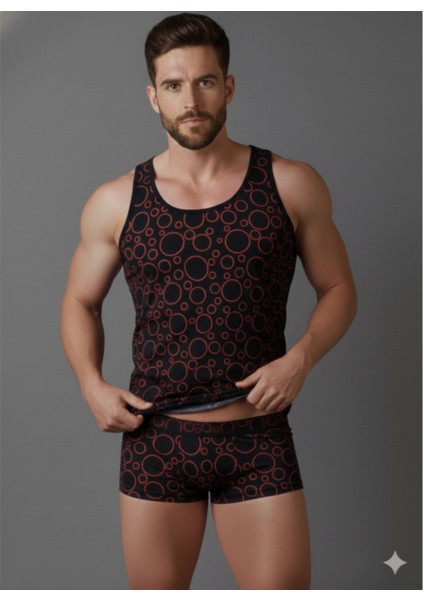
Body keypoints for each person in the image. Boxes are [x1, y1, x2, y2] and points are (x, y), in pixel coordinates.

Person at [60, 12, 357, 590]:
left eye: (205, 81)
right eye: (173, 85)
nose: (190, 100)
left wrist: (300, 359)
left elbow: (339, 288)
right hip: (156, 439)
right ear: (154, 97)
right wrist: (90, 384)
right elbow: (79, 301)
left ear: (229, 86)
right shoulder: (116, 201)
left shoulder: (290, 184)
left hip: (257, 435)